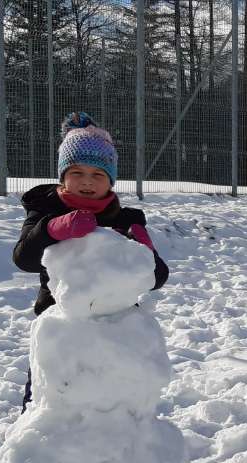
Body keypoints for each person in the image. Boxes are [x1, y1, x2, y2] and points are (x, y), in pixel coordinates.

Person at [12, 112, 169, 412]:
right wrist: (52, 229)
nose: (86, 183)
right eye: (77, 173)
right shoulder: (43, 209)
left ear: (110, 179)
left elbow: (156, 279)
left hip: (116, 330)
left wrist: (146, 253)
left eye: (97, 175)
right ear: (62, 175)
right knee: (49, 403)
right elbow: (24, 259)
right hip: (61, 326)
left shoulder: (126, 220)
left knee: (114, 402)